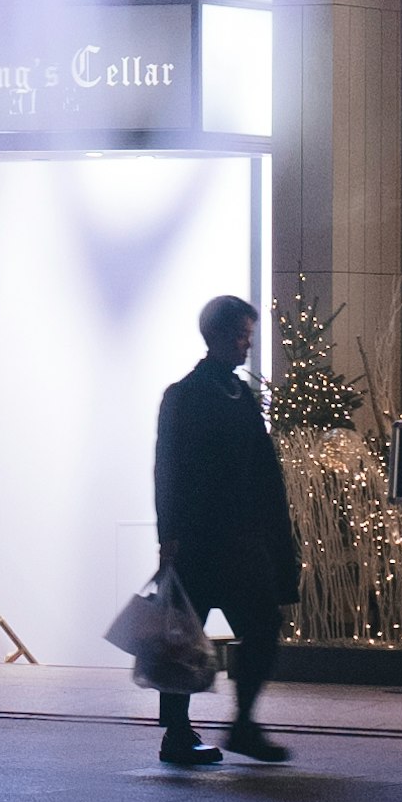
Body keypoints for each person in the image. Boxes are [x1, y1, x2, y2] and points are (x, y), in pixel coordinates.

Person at [150, 290, 300, 771]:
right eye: (240, 336)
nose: (246, 346)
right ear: (216, 336)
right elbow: (168, 469)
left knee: (257, 625)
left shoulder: (239, 397)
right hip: (199, 539)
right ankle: (181, 732)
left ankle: (237, 722)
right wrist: (168, 537)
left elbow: (262, 471)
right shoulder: (186, 395)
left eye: (248, 336)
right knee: (182, 638)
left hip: (237, 539)